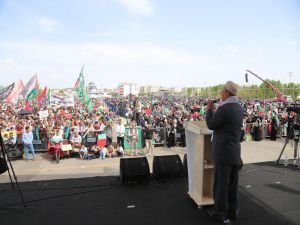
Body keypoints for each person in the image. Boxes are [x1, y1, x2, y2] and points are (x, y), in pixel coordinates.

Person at [205, 81, 243, 224]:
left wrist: (209, 110)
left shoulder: (224, 108)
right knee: (232, 185)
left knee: (221, 185)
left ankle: (220, 213)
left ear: (227, 93)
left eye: (222, 91)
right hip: (234, 152)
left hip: (222, 153)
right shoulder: (238, 107)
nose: (220, 93)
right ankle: (233, 212)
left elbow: (211, 124)